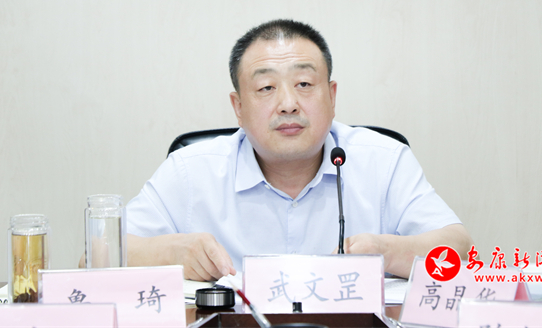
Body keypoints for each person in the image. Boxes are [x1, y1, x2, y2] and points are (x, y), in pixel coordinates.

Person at [124, 19, 474, 281]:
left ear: (332, 96)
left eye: (304, 83)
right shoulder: (190, 170)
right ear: (238, 107)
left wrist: (386, 252)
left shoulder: (383, 160)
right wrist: (170, 252)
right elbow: (102, 251)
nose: (288, 104)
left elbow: (458, 249)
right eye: (266, 88)